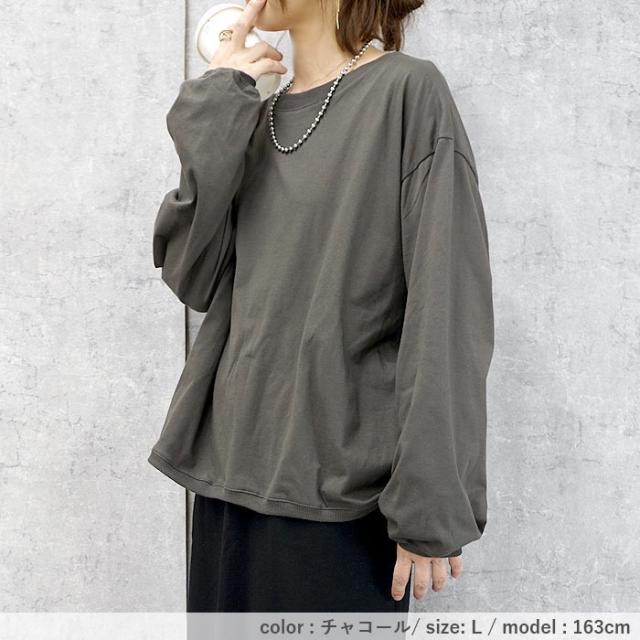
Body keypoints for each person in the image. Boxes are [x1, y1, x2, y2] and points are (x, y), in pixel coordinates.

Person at [148, 0, 494, 613]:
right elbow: (192, 272)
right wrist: (221, 96)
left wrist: (431, 503)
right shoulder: (254, 113)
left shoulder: (407, 92)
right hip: (228, 480)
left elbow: (447, 308)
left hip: (336, 495)